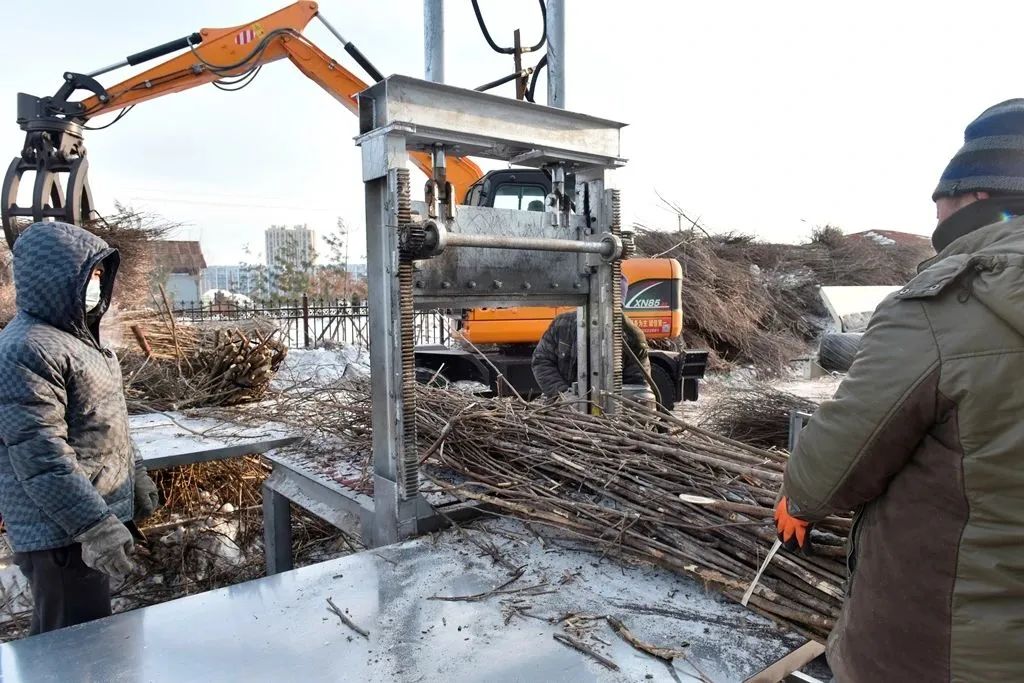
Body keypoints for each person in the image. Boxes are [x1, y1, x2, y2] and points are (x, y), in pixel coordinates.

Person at [776, 99, 1024, 681]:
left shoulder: (949, 305)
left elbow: (833, 466)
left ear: (978, 198)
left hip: (953, 647)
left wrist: (800, 498)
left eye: (943, 196)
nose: (935, 211)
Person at [0, 221, 160, 635]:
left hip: (82, 524)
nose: (97, 284)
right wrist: (94, 526)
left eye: (100, 276)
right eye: (90, 275)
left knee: (84, 643)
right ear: (58, 278)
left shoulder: (79, 341)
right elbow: (41, 457)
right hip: (61, 537)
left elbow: (106, 422)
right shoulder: (27, 349)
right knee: (70, 652)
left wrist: (134, 473)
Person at [532, 279, 652, 398]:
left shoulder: (631, 338)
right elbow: (541, 360)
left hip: (611, 408)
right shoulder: (562, 325)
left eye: (611, 307)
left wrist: (616, 401)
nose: (602, 313)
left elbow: (637, 381)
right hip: (564, 409)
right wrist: (563, 394)